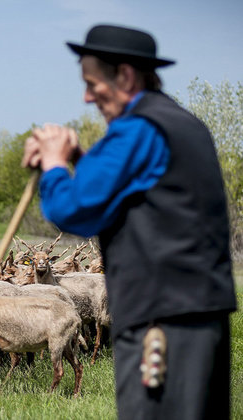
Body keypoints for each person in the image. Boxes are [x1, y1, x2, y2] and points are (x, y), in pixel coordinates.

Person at [21, 24, 237, 420]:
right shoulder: (182, 124)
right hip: (197, 319)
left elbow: (75, 212)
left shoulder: (137, 129)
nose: (87, 97)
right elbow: (126, 193)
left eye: (92, 83)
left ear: (124, 75)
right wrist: (80, 161)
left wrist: (53, 163)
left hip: (160, 324)